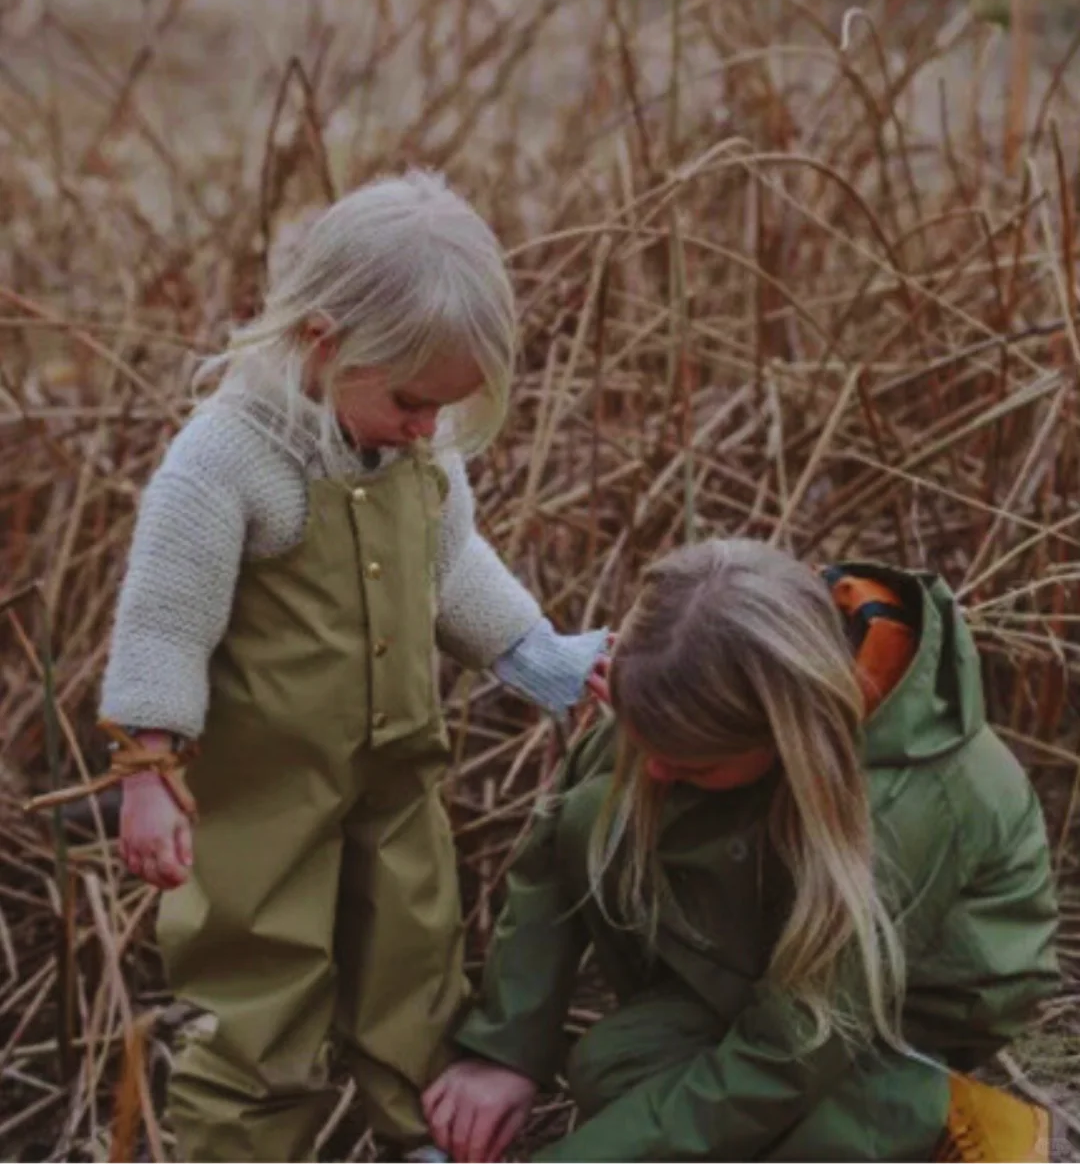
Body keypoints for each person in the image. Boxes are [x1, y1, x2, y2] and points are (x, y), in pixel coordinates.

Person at [97, 171, 608, 1163]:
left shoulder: (420, 450)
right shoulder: (230, 460)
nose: (427, 428)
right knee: (258, 985)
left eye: (443, 410)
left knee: (414, 957)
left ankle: (416, 1131)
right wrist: (148, 770)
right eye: (414, 401)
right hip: (261, 797)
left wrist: (535, 654)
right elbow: (164, 621)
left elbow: (451, 564)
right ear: (321, 343)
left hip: (397, 765)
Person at [425, 540, 1059, 1162]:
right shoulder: (682, 667)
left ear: (787, 736)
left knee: (763, 1117)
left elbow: (790, 1049)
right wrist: (508, 1050)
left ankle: (923, 1106)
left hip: (913, 1005)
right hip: (767, 949)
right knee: (610, 1067)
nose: (657, 775)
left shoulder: (906, 806)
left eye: (689, 766)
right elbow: (551, 855)